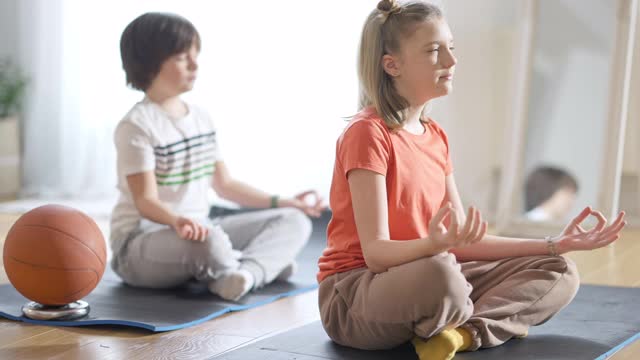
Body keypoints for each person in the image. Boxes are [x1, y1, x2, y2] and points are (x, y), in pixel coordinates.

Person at [316, 2, 626, 359]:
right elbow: (376, 254)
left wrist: (554, 243)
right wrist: (434, 245)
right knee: (442, 274)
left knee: (559, 272)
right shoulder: (367, 134)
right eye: (434, 51)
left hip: (429, 274)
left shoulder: (436, 137)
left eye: (451, 48)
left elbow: (463, 240)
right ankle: (473, 316)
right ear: (392, 65)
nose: (451, 61)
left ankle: (461, 334)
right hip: (355, 294)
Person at [110, 12, 325, 301]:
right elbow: (145, 201)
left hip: (198, 229)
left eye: (195, 54)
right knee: (209, 241)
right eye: (182, 57)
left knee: (294, 220)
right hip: (140, 245)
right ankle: (258, 266)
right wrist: (177, 221)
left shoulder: (200, 118)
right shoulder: (136, 125)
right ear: (150, 62)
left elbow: (225, 185)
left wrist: (283, 201)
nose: (195, 64)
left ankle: (244, 274)